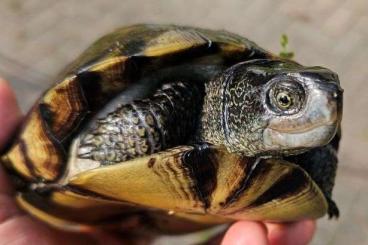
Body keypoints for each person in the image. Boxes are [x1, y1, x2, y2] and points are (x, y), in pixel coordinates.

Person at [0, 78, 316, 245]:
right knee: (156, 118)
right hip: (74, 171)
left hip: (159, 214)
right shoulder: (180, 104)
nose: (323, 109)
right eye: (285, 100)